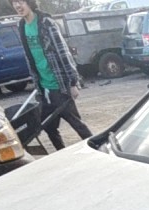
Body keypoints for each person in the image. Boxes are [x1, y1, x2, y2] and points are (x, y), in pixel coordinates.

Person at [11, 0, 92, 150]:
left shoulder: (45, 22)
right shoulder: (21, 26)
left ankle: (97, 148)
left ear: (29, 3)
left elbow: (63, 53)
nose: (17, 6)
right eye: (14, 2)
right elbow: (30, 58)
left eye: (21, 1)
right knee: (49, 127)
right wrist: (37, 85)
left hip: (59, 85)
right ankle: (62, 154)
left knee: (75, 123)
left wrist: (73, 82)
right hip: (43, 87)